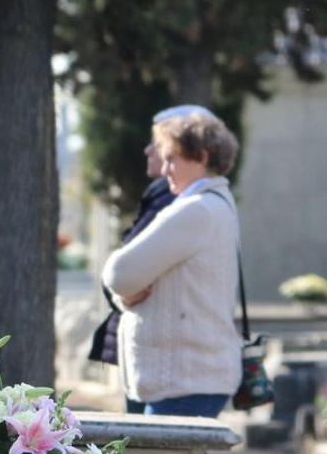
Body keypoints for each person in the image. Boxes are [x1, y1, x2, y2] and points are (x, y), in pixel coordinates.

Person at [100, 106, 241, 418]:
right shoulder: (211, 204)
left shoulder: (196, 209)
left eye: (171, 159)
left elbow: (118, 274)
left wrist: (125, 294)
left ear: (202, 156)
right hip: (187, 378)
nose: (164, 170)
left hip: (182, 381)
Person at [89, 134, 174, 413]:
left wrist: (120, 294)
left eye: (158, 144)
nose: (147, 149)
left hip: (157, 348)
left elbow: (129, 271)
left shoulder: (169, 200)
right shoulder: (159, 195)